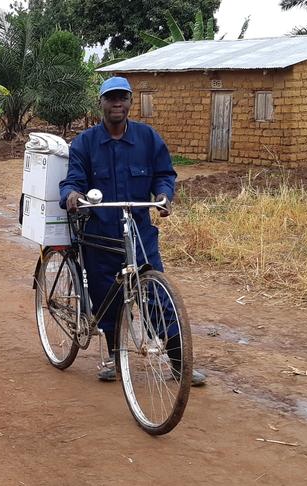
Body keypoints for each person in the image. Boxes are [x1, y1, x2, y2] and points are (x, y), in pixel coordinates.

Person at [59, 77, 206, 386]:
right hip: (99, 236)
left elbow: (165, 173)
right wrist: (72, 195)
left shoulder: (147, 139)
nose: (117, 104)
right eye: (111, 98)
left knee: (156, 295)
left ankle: (179, 362)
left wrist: (164, 197)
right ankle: (115, 356)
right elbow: (73, 180)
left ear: (129, 102)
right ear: (100, 103)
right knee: (107, 299)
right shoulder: (85, 143)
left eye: (122, 98)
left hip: (139, 232)